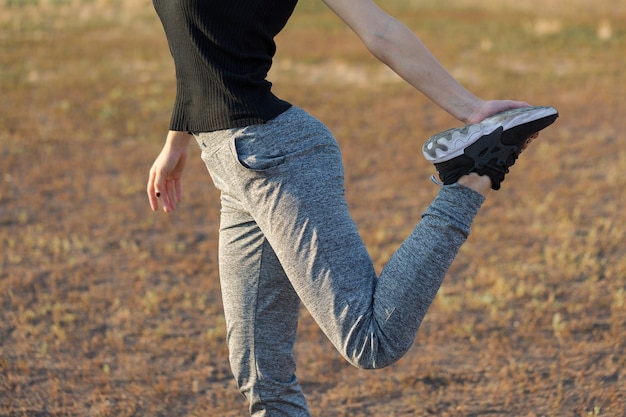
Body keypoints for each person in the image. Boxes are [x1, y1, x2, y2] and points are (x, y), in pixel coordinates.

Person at [146, 0, 558, 415]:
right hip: (230, 165)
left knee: (371, 341)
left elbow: (378, 29)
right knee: (258, 370)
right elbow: (196, 50)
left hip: (276, 156)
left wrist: (473, 110)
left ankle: (472, 177)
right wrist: (176, 141)